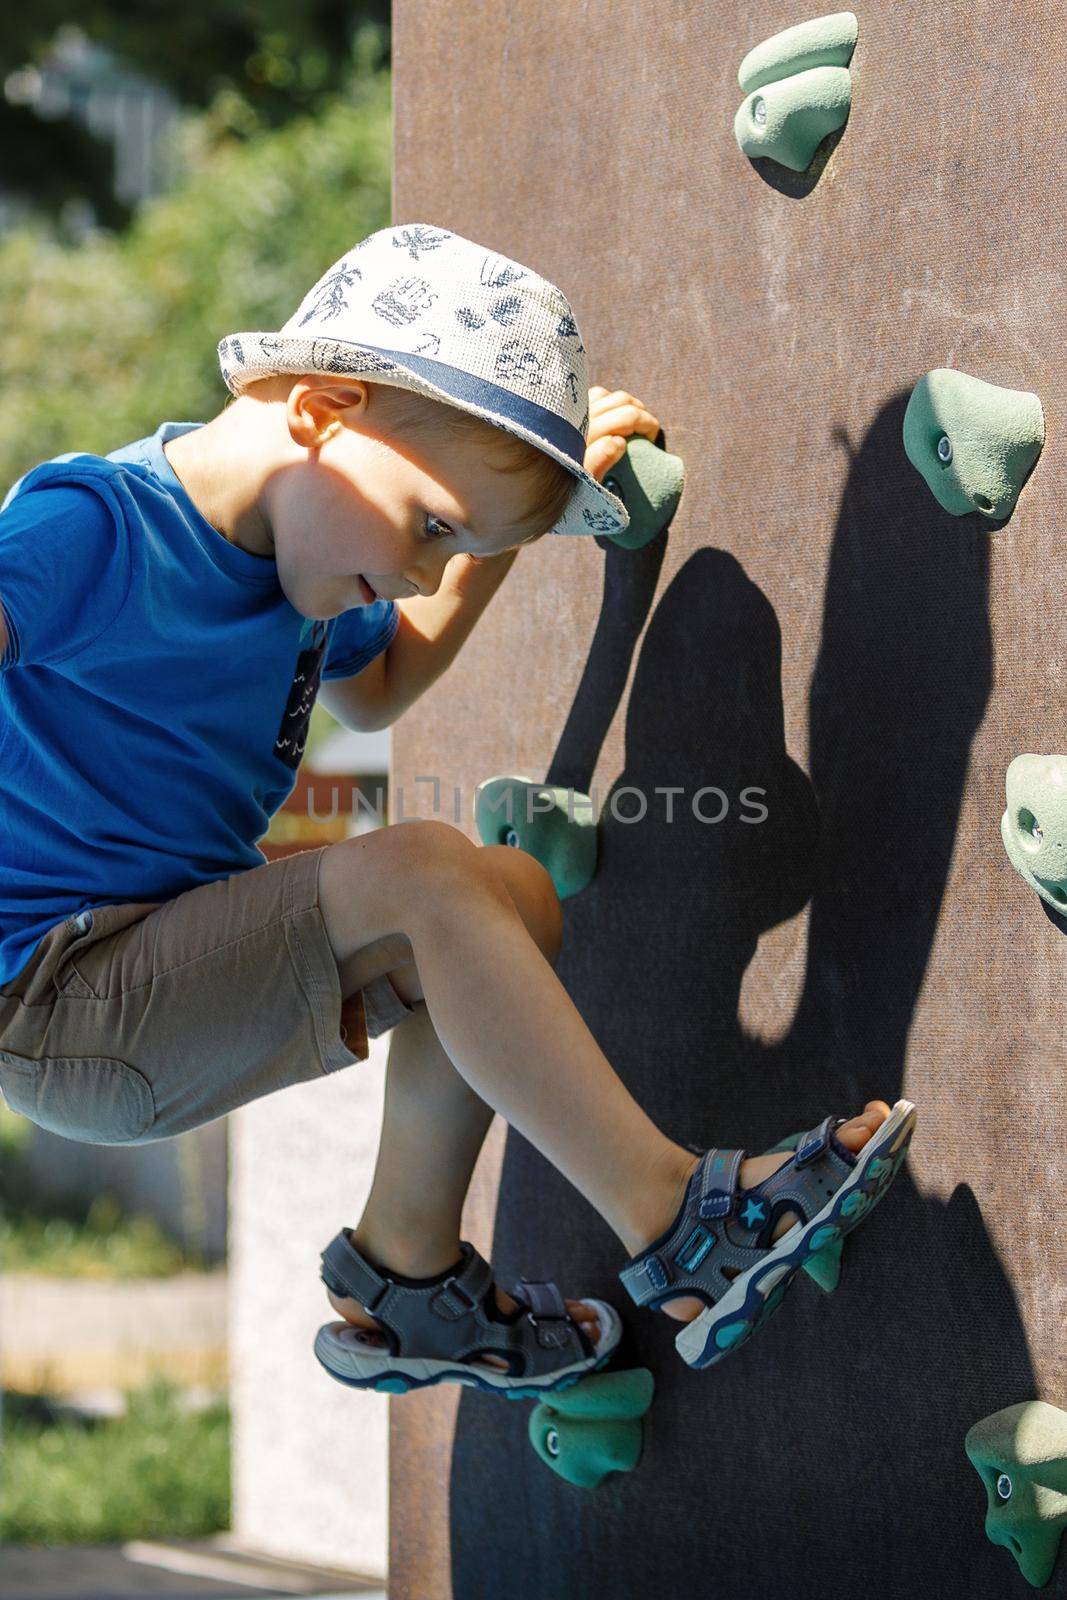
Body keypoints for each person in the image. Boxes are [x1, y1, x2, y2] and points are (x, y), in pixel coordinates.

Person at [0, 222, 916, 1396]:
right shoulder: (97, 526)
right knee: (428, 875)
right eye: (432, 525)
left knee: (506, 896)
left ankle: (406, 1279)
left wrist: (499, 520)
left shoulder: (303, 542)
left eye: (453, 547)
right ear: (322, 412)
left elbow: (378, 687)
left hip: (158, 964)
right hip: (55, 996)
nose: (430, 571)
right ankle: (681, 1226)